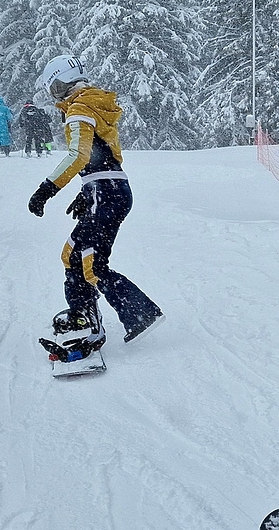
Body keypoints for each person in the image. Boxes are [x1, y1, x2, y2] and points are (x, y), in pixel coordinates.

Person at [27, 54, 164, 352]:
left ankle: (138, 313)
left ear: (62, 83)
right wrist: (87, 191)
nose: (55, 97)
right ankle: (82, 315)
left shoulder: (79, 108)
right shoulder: (94, 102)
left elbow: (80, 155)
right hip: (107, 190)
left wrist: (46, 190)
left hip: (105, 193)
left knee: (93, 264)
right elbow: (104, 158)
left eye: (54, 89)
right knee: (73, 255)